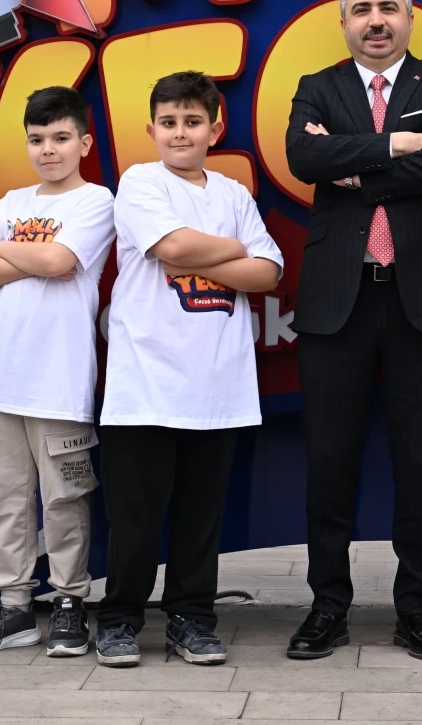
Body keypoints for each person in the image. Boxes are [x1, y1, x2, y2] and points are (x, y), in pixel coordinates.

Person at [283, 0, 422, 661]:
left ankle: (416, 608)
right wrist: (396, 146)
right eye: (362, 8)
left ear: (409, 18)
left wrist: (353, 168)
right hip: (338, 301)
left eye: (388, 8)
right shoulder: (318, 86)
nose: (376, 20)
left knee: (421, 461)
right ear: (344, 21)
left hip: (421, 299)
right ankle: (327, 606)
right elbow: (302, 156)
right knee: (329, 460)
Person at [94, 71, 282, 668]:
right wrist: (232, 248)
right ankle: (119, 620)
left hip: (217, 385)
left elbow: (268, 270)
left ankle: (192, 619)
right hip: (145, 383)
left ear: (215, 129)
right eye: (169, 122)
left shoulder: (233, 194)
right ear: (151, 129)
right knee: (135, 519)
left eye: (193, 122)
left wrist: (202, 254)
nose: (181, 133)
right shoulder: (139, 181)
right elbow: (171, 249)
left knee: (201, 519)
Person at [0, 86, 116, 658]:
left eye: (61, 138)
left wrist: (5, 252)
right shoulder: (12, 201)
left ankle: (70, 600)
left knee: (64, 497)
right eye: (37, 139)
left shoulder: (96, 201)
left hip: (58, 378)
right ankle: (15, 605)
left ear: (84, 144)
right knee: (4, 498)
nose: (48, 149)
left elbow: (60, 260)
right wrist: (27, 259)